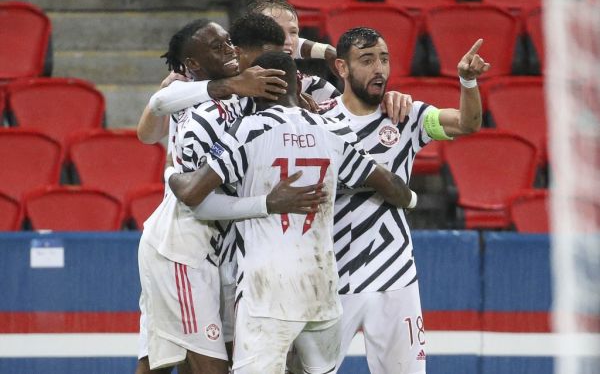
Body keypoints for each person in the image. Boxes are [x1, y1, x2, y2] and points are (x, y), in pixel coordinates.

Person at [167, 51, 418, 374]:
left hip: (268, 290)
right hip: (322, 288)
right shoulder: (329, 132)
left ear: (265, 83)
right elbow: (388, 183)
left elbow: (191, 193)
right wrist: (411, 200)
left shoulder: (249, 130)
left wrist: (170, 170)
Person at [136, 18, 325, 374]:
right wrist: (267, 204)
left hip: (218, 252)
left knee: (159, 363)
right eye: (219, 47)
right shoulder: (201, 110)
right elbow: (193, 197)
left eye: (230, 43)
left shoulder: (247, 103)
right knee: (210, 366)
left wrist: (295, 104)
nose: (230, 51)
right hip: (181, 248)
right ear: (192, 63)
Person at [319, 27, 488, 374]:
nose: (379, 68)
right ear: (342, 68)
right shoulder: (318, 121)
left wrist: (467, 83)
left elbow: (467, 124)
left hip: (394, 274)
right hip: (331, 274)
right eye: (367, 60)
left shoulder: (407, 116)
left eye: (384, 59)